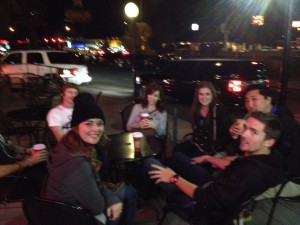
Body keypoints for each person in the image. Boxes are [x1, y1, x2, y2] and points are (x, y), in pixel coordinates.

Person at [145, 111, 286, 225]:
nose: (244, 134)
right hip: (216, 185)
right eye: (246, 128)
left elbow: (205, 198)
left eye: (253, 132)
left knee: (149, 162)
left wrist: (173, 177)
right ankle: (156, 185)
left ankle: (147, 195)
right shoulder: (270, 157)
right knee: (178, 157)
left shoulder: (247, 173)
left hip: (204, 210)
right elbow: (237, 166)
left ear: (269, 141)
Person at [43, 93, 137, 225]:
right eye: (89, 124)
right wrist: (111, 198)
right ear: (76, 126)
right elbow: (97, 206)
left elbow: (94, 182)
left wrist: (109, 196)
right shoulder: (76, 163)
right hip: (73, 217)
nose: (96, 129)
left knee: (124, 193)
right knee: (128, 193)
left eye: (100, 124)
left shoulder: (67, 144)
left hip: (63, 211)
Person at [229, 84, 300, 198]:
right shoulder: (258, 119)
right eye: (246, 101)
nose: (249, 104)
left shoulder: (285, 124)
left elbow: (288, 162)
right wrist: (235, 136)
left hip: (291, 179)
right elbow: (247, 151)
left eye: (254, 99)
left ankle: (241, 214)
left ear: (268, 99)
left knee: (236, 189)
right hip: (269, 167)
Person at [174, 82, 233, 158]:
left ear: (212, 95)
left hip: (213, 148)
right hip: (198, 142)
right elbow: (197, 128)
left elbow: (228, 132)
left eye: (207, 94)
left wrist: (221, 151)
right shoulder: (197, 108)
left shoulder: (220, 109)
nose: (204, 97)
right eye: (201, 94)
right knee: (177, 149)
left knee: (188, 159)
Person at [127, 82, 167, 153]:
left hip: (153, 143)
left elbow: (163, 135)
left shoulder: (162, 113)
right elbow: (128, 126)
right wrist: (138, 125)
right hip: (138, 139)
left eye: (155, 95)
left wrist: (155, 126)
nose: (151, 97)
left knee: (147, 156)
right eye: (150, 94)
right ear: (147, 95)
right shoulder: (138, 107)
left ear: (159, 98)